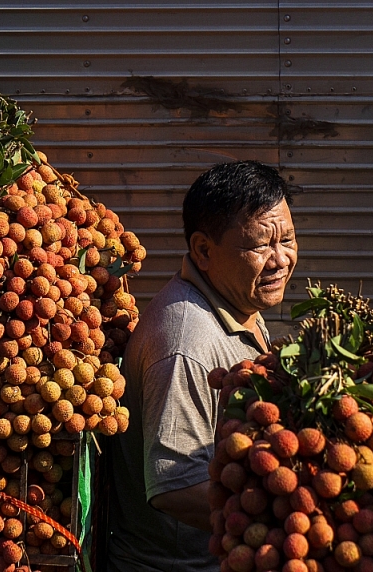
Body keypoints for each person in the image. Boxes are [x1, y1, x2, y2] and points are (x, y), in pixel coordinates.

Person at [105, 160, 298, 571]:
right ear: (204, 251)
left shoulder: (237, 301)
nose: (280, 259)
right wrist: (280, 513)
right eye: (261, 246)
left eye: (288, 240)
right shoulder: (185, 343)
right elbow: (174, 486)